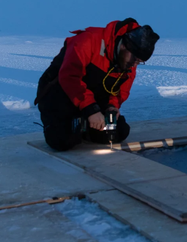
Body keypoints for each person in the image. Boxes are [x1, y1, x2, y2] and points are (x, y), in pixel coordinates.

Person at [34, 18, 160, 151]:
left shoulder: (128, 60)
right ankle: (73, 122)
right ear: (124, 45)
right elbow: (70, 77)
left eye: (139, 62)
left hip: (92, 94)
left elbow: (121, 89)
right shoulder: (88, 41)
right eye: (135, 59)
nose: (135, 64)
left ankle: (86, 125)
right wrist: (90, 109)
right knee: (62, 140)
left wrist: (112, 106)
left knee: (117, 133)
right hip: (59, 93)